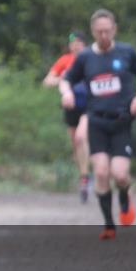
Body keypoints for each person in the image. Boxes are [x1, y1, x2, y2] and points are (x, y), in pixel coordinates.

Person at [60, 9, 136, 240]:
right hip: (96, 121)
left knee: (120, 175)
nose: (103, 35)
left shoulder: (126, 52)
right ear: (93, 32)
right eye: (99, 31)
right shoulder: (85, 58)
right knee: (101, 172)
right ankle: (109, 225)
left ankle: (124, 196)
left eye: (107, 31)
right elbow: (65, 79)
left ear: (114, 29)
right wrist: (67, 93)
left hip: (121, 121)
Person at [43, 32, 91, 202]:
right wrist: (62, 79)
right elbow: (47, 81)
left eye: (78, 42)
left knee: (80, 138)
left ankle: (85, 178)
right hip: (71, 106)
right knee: (76, 145)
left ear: (85, 44)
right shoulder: (64, 60)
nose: (75, 45)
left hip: (90, 106)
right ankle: (84, 176)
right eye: (72, 42)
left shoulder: (91, 58)